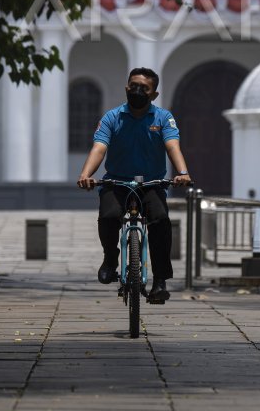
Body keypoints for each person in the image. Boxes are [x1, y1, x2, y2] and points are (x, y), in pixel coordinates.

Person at [77, 67, 192, 304]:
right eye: (134, 86)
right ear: (127, 88)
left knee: (160, 221)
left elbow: (172, 146)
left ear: (154, 94)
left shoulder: (163, 117)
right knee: (109, 216)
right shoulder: (112, 117)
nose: (137, 91)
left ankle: (160, 281)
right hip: (116, 181)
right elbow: (99, 148)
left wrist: (182, 173)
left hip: (151, 183)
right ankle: (110, 259)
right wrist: (86, 174)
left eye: (144, 88)